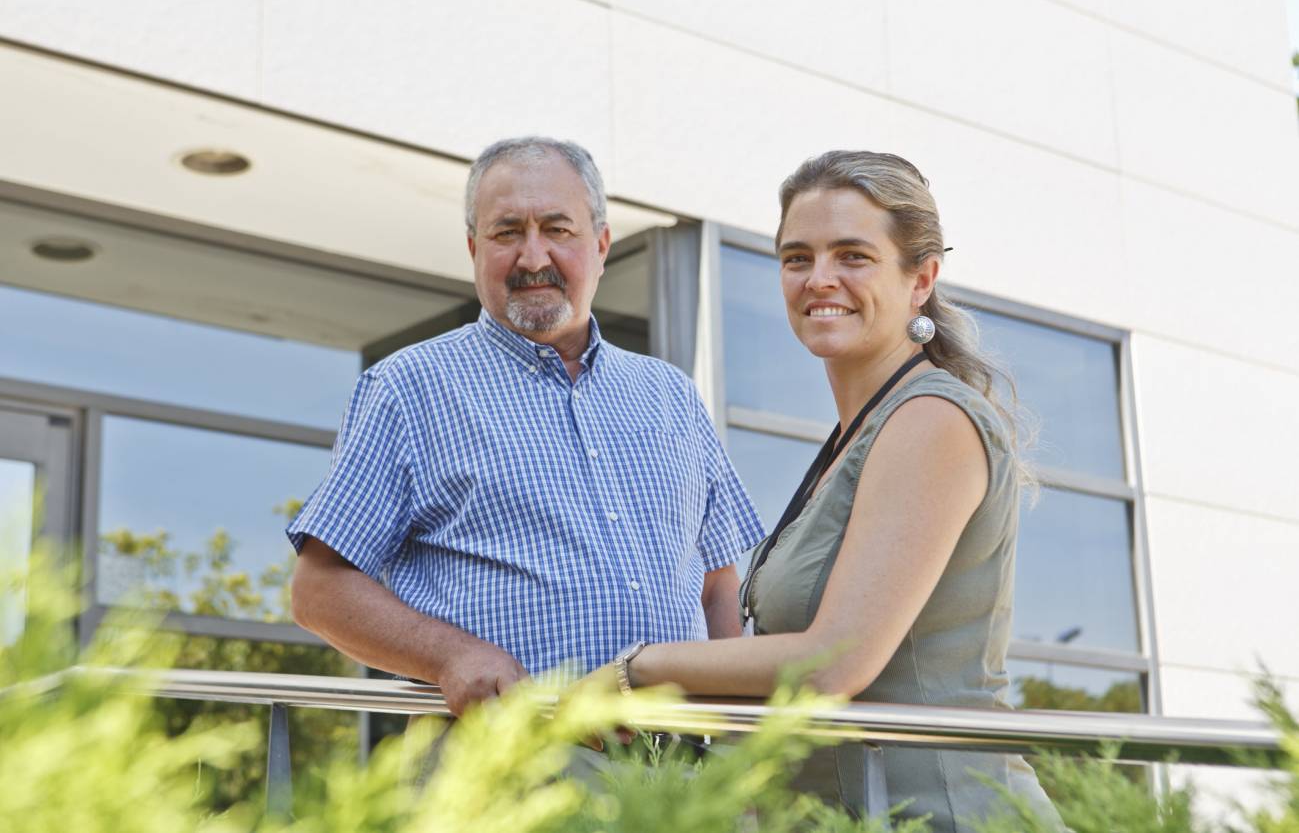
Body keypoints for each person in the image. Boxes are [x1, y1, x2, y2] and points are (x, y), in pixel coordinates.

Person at [595, 150, 1063, 832]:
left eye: (852, 256)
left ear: (920, 280)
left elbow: (833, 662)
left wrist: (633, 671)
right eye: (796, 257)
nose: (819, 279)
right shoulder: (859, 432)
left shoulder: (930, 420)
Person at [287, 136, 763, 717]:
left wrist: (739, 745)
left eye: (557, 229)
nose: (533, 258)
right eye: (507, 232)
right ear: (472, 248)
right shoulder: (409, 388)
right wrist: (452, 656)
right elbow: (319, 591)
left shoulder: (673, 396)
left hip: (676, 780)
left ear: (602, 244)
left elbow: (716, 585)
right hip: (500, 763)